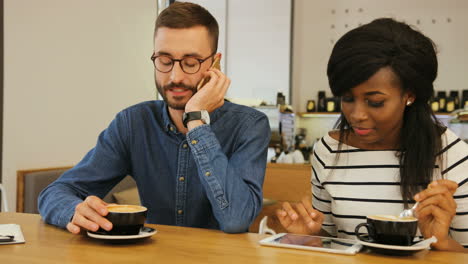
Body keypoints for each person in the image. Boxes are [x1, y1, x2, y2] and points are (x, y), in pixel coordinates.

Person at [39, 2, 271, 234]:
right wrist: (75, 210)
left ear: (214, 63)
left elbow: (236, 219)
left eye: (191, 63)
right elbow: (55, 193)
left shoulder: (250, 125)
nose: (175, 76)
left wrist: (196, 121)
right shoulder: (133, 123)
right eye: (164, 60)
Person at [277, 18, 468, 252]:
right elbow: (335, 240)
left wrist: (440, 241)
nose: (356, 115)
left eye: (375, 102)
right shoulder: (329, 150)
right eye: (347, 98)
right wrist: (308, 237)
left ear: (409, 95)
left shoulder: (452, 154)